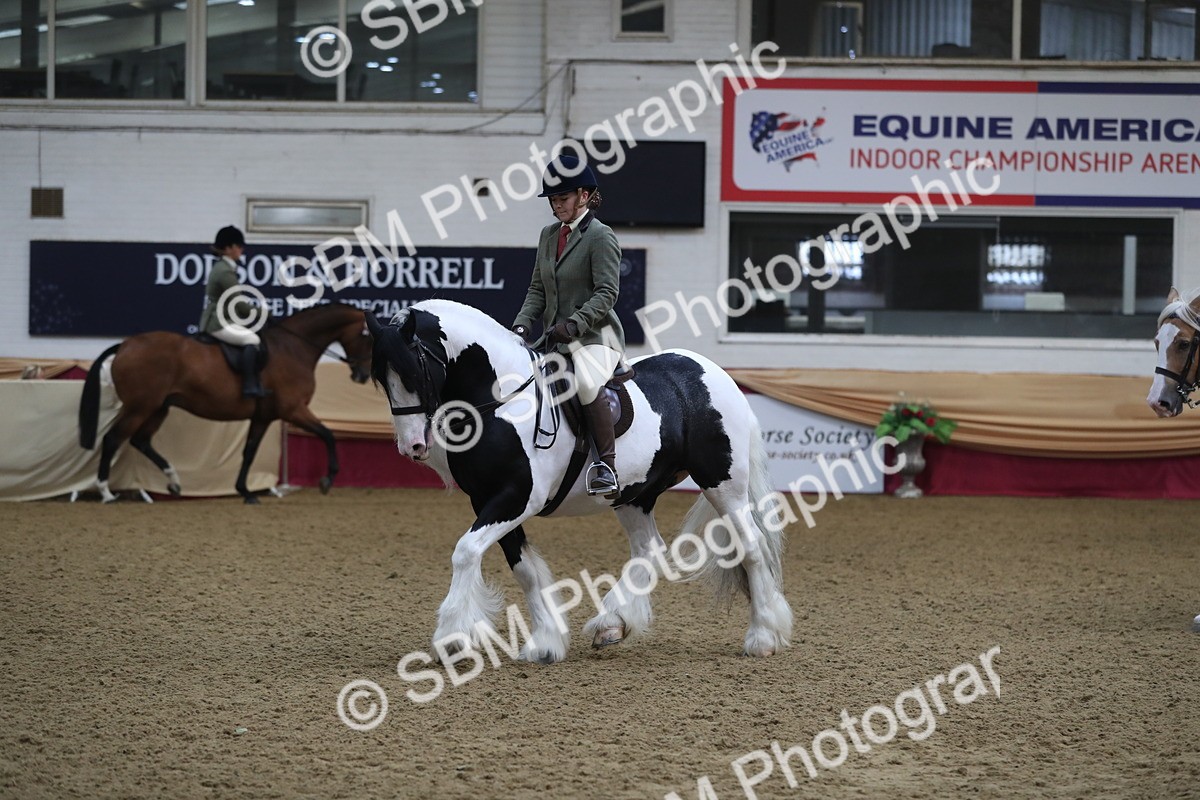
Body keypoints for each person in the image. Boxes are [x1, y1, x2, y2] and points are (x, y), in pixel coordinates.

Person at [512, 155, 625, 498]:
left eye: (562, 199)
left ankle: (606, 465)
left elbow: (608, 292)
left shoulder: (600, 236)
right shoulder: (548, 236)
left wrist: (575, 324)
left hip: (595, 338)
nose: (555, 206)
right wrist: (520, 326)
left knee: (588, 382)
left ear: (584, 195)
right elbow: (537, 289)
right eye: (552, 200)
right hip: (556, 341)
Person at [199, 225, 267, 397]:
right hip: (218, 322)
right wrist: (263, 313)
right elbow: (239, 305)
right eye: (238, 245)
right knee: (252, 339)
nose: (241, 249)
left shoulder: (223, 267)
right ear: (228, 248)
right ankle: (249, 385)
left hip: (221, 317)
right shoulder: (224, 271)